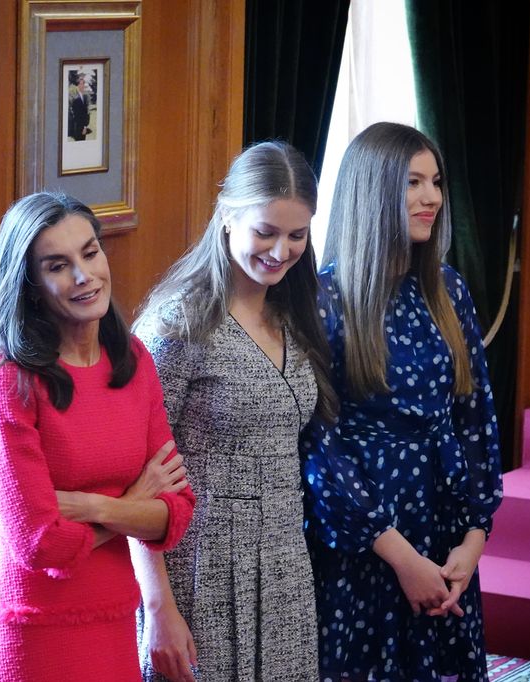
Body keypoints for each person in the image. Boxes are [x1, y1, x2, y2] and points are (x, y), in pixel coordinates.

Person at [0, 191, 195, 681]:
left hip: (115, 624)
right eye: (58, 265)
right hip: (35, 633)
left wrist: (94, 507)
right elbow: (39, 544)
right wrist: (134, 506)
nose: (85, 276)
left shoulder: (134, 359)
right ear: (32, 285)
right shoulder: (9, 378)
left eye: (90, 252)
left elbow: (178, 510)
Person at [302, 122, 503, 681]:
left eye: (435, 181)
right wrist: (401, 557)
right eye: (413, 183)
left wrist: (475, 536)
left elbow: (476, 416)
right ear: (373, 191)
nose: (431, 197)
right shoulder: (325, 300)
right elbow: (319, 446)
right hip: (367, 538)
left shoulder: (448, 288)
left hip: (444, 518)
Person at [131, 141, 338, 681]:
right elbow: (134, 475)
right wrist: (158, 609)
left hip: (286, 562)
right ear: (227, 215)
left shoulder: (294, 311)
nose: (281, 250)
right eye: (265, 231)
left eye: (297, 235)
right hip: (200, 567)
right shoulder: (177, 323)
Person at [67, 71, 91, 141]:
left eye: (83, 84)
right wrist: (83, 128)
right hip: (78, 128)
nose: (82, 86)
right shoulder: (76, 99)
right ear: (77, 86)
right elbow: (77, 116)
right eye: (80, 84)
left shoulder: (84, 97)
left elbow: (86, 113)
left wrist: (85, 126)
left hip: (84, 128)